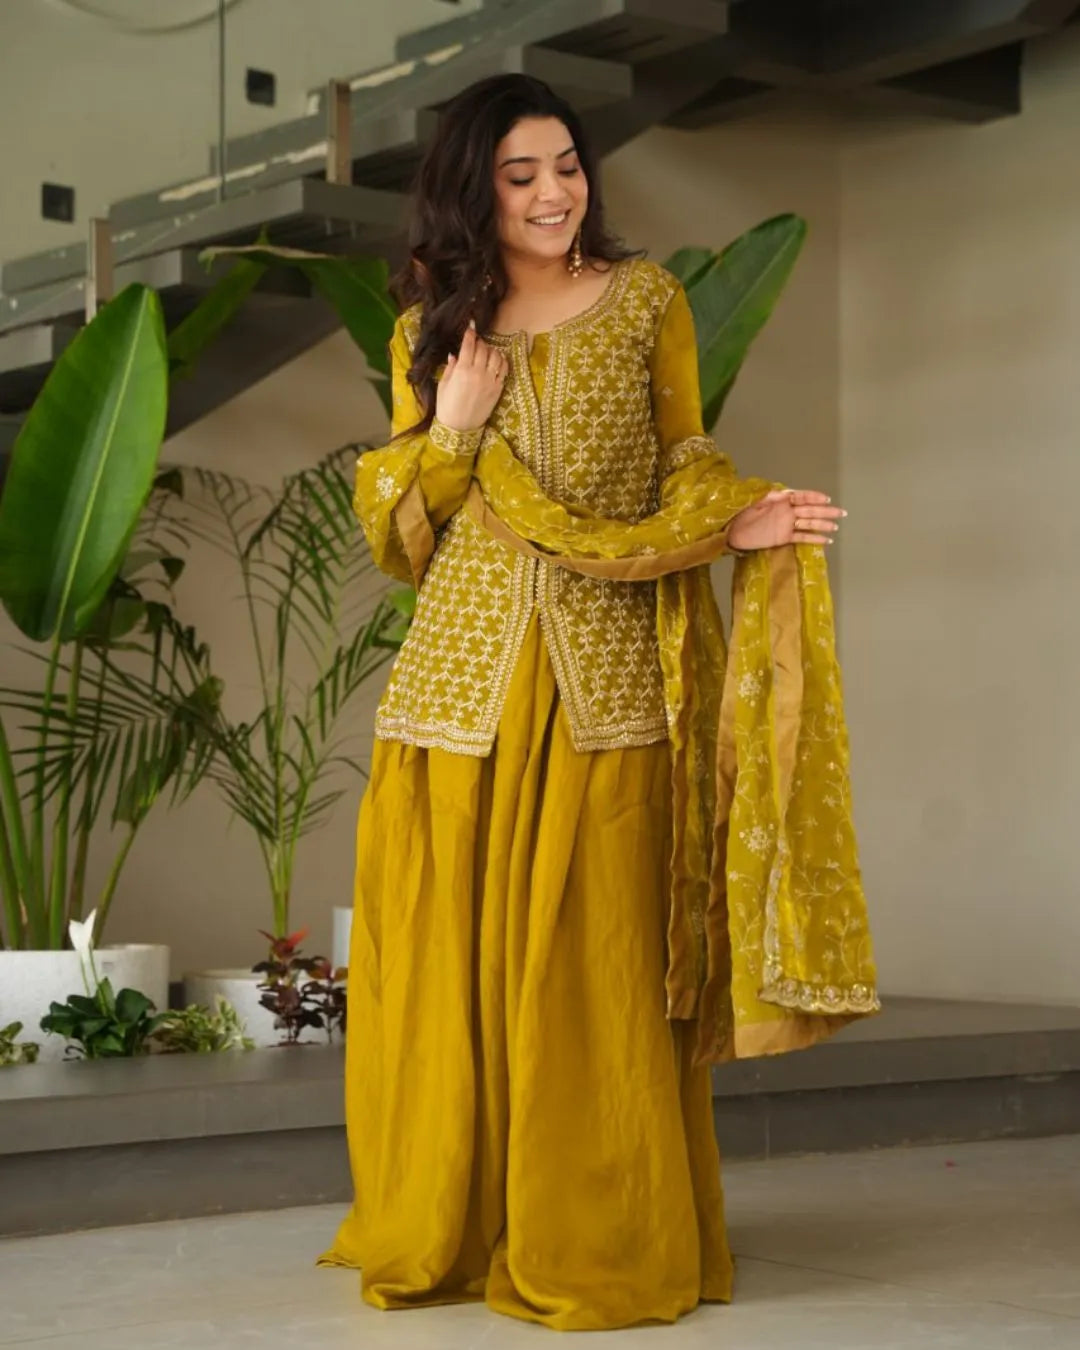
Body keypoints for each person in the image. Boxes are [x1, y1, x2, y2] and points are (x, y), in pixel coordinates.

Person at [318, 73, 878, 1332]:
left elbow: (685, 459)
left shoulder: (646, 301)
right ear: (474, 190)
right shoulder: (432, 329)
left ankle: (596, 1234)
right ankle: (455, 1223)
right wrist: (453, 428)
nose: (553, 193)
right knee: (453, 973)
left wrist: (740, 520)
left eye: (566, 166)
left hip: (609, 679)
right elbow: (402, 540)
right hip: (459, 688)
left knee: (597, 967)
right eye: (520, 175)